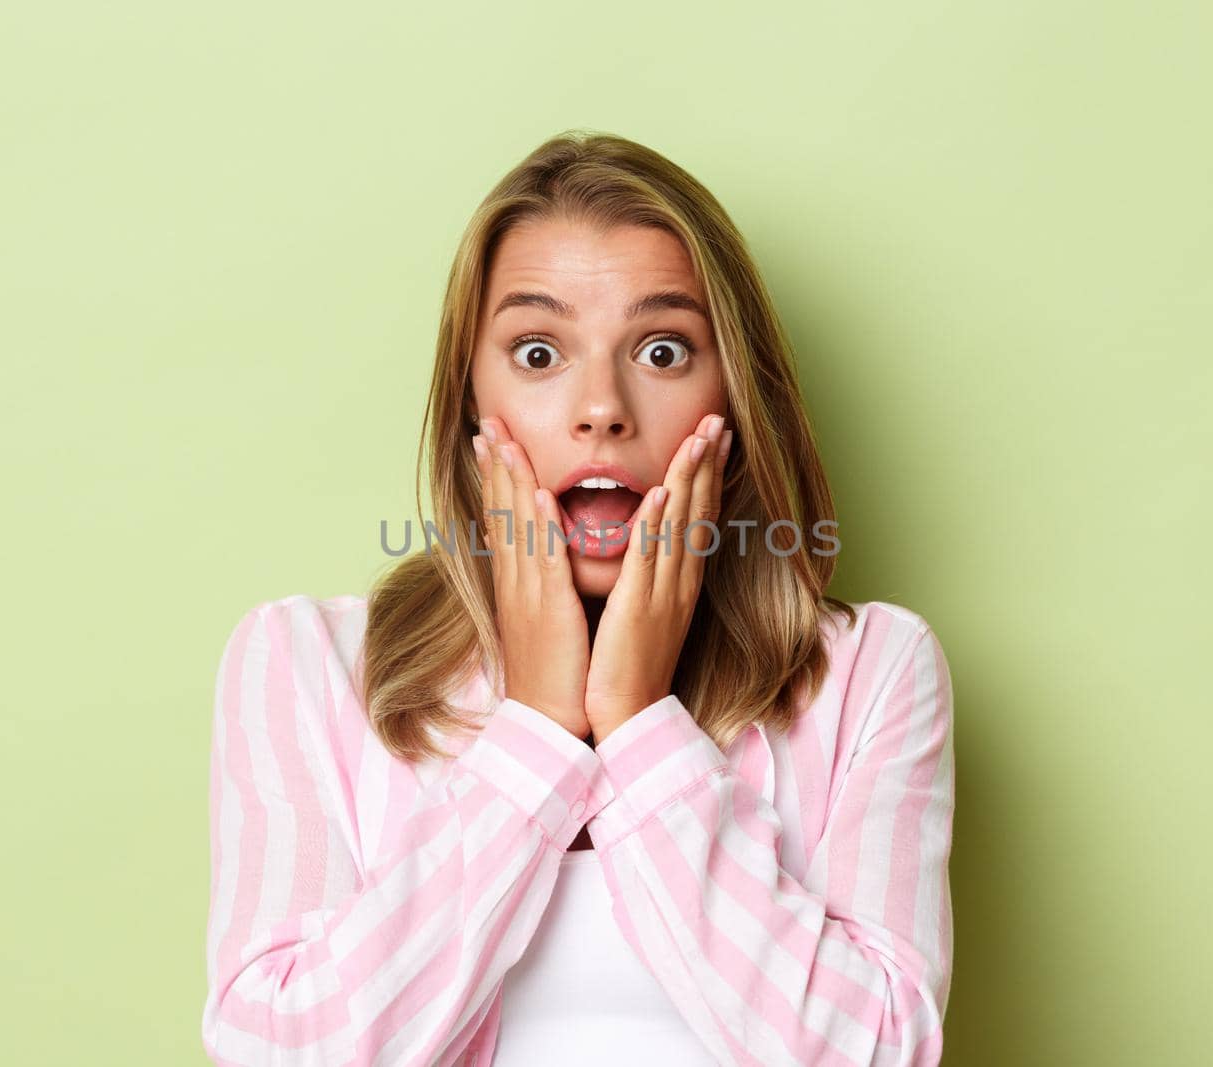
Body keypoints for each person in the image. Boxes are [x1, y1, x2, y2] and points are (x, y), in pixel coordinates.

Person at [201, 130, 955, 1066]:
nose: (602, 407)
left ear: (736, 395)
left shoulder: (873, 672)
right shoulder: (304, 662)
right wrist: (538, 733)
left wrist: (639, 727)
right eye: (537, 351)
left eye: (665, 350)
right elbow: (281, 1051)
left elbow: (877, 1052)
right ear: (470, 400)